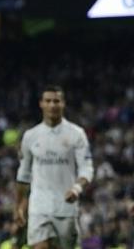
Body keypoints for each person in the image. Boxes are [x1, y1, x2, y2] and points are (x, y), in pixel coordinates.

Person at [14, 85, 94, 249]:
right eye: (48, 101)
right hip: (39, 207)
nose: (52, 105)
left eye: (56, 101)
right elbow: (23, 174)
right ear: (41, 104)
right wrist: (20, 205)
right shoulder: (30, 136)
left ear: (63, 104)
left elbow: (87, 168)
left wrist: (77, 189)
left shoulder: (76, 134)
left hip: (66, 208)